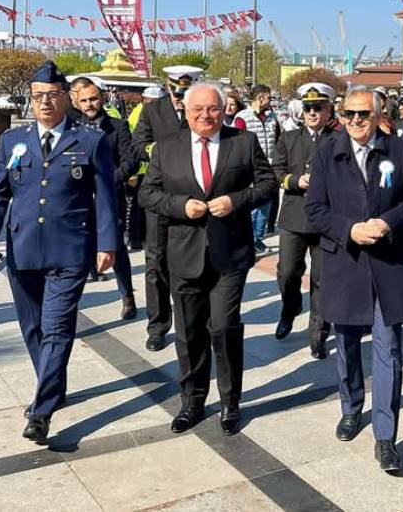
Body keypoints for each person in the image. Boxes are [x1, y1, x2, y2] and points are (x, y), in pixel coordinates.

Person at [0, 61, 117, 445]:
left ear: (66, 99)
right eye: (39, 98)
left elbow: (105, 197)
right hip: (22, 251)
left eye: (53, 96)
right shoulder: (13, 141)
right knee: (32, 327)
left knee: (57, 328)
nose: (46, 104)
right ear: (31, 101)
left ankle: (42, 410)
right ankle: (52, 383)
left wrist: (107, 244)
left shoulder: (89, 140)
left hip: (70, 249)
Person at [139, 83, 275, 436]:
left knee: (224, 326)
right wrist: (180, 206)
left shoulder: (241, 142)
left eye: (213, 108)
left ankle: (230, 401)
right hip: (183, 253)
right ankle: (192, 400)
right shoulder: (167, 148)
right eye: (197, 109)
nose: (205, 116)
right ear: (184, 109)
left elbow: (267, 184)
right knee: (188, 332)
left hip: (229, 253)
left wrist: (237, 200)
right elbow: (147, 194)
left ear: (224, 108)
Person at [304, 87, 403, 473]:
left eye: (363, 114)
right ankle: (351, 406)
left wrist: (387, 222)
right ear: (340, 114)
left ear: (378, 113)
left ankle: (386, 437)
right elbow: (315, 209)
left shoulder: (400, 149)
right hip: (346, 260)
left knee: (388, 347)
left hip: (387, 262)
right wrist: (349, 229)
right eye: (350, 113)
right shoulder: (327, 154)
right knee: (347, 343)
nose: (356, 120)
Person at [133, 65, 200, 351]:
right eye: (176, 91)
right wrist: (161, 152)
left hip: (194, 198)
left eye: (185, 91)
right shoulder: (152, 111)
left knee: (193, 262)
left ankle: (194, 320)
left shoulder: (200, 109)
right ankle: (158, 325)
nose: (180, 97)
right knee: (156, 263)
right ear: (167, 85)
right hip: (160, 197)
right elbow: (137, 146)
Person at [271, 83, 339, 357]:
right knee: (288, 272)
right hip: (294, 216)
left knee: (322, 280)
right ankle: (290, 308)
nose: (312, 113)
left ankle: (318, 334)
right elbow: (276, 171)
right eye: (308, 107)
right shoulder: (289, 138)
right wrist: (296, 180)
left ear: (328, 109)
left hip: (326, 220)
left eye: (318, 107)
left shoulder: (339, 140)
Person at [71, 78, 141, 320]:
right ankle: (71, 300)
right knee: (79, 248)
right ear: (76, 102)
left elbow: (130, 161)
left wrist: (110, 181)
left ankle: (127, 296)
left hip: (110, 198)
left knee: (117, 247)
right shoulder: (72, 128)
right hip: (79, 201)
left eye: (93, 98)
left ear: (101, 98)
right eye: (84, 100)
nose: (90, 104)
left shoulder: (118, 127)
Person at [237, 84, 280, 256]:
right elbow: (237, 143)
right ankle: (250, 239)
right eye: (269, 97)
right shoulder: (243, 118)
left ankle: (257, 237)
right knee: (253, 205)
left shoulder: (272, 117)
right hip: (249, 168)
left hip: (269, 168)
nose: (271, 101)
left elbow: (278, 139)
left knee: (266, 205)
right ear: (260, 98)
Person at [125, 86, 167, 251]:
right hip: (141, 169)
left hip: (152, 169)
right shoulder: (141, 114)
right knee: (138, 207)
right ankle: (136, 239)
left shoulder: (158, 114)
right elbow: (133, 145)